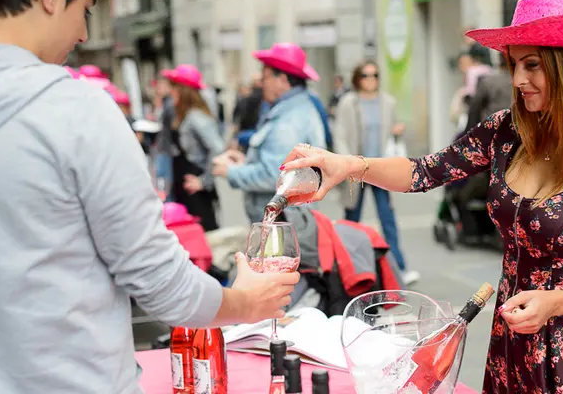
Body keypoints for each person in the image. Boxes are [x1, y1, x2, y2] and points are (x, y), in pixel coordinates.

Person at [0, 0, 298, 393]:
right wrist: (245, 302)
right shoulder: (74, 110)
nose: (83, 34)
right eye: (86, 9)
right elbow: (160, 283)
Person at [280, 0, 563, 393]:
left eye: (532, 65)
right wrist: (351, 165)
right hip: (510, 344)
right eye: (513, 64)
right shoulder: (508, 130)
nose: (517, 80)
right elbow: (425, 171)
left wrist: (557, 302)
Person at [212, 42, 326, 223]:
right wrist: (245, 162)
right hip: (285, 219)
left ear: (282, 79)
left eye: (265, 78)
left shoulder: (290, 119)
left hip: (282, 221)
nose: (262, 84)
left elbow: (274, 175)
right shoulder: (293, 109)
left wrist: (230, 171)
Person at [333, 59, 418, 284]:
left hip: (379, 167)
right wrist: (345, 163)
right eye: (366, 76)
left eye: (375, 75)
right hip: (355, 168)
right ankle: (347, 265)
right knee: (352, 219)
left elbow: (391, 132)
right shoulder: (348, 102)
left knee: (387, 217)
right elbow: (340, 135)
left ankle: (399, 267)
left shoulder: (387, 102)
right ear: (357, 79)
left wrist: (397, 131)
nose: (371, 80)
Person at [162, 64, 224, 232]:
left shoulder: (196, 116)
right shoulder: (183, 115)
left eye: (173, 87)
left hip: (195, 188)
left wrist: (204, 181)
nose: (170, 91)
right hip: (184, 185)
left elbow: (217, 148)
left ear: (182, 90)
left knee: (203, 232)